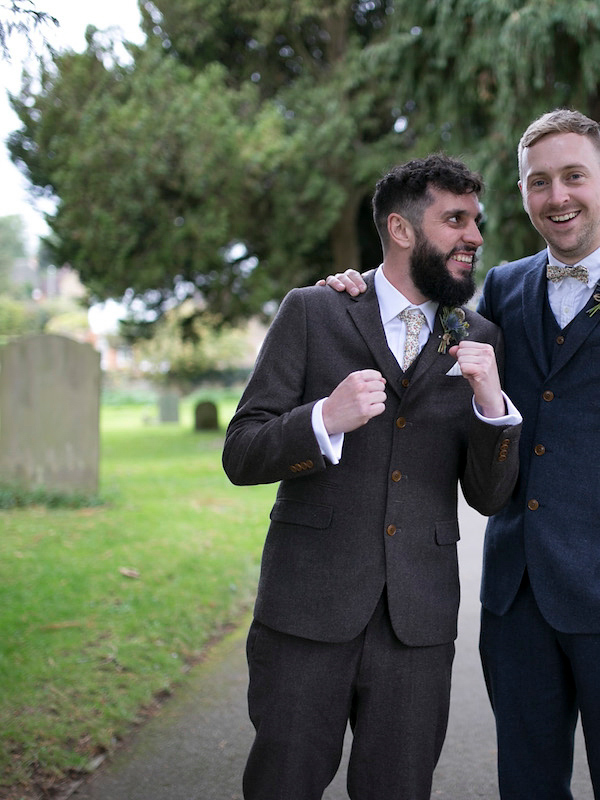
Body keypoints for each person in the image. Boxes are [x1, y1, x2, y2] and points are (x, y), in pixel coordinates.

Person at [325, 109, 600, 799]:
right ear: (523, 193)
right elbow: (424, 332)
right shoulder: (506, 286)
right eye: (538, 182)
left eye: (573, 176)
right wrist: (361, 294)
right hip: (515, 603)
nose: (557, 196)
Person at [223, 154, 522, 800]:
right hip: (305, 613)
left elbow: (490, 496)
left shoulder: (481, 338)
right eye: (455, 219)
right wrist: (323, 420)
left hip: (418, 627)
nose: (474, 236)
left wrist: (494, 408)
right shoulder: (314, 312)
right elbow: (241, 452)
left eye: (477, 220)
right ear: (402, 229)